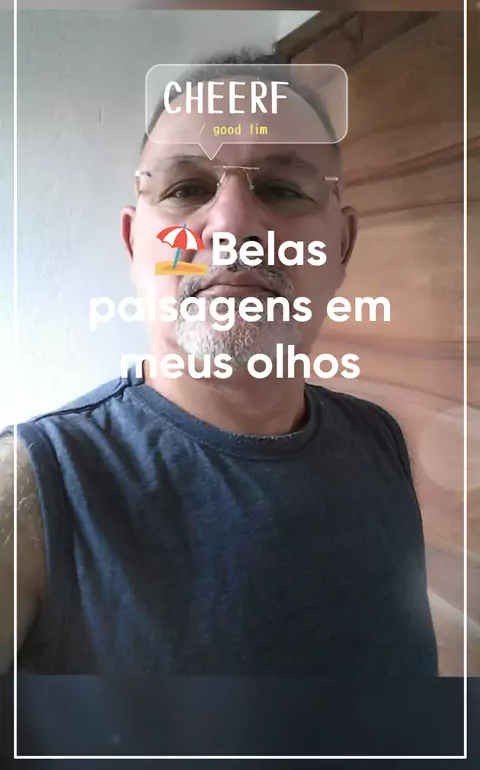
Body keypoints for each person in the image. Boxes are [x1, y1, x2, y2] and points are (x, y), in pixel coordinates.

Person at [0, 51, 437, 676]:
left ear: (341, 247)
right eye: (186, 189)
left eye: (283, 189)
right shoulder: (26, 492)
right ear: (134, 245)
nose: (231, 226)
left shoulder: (381, 440)